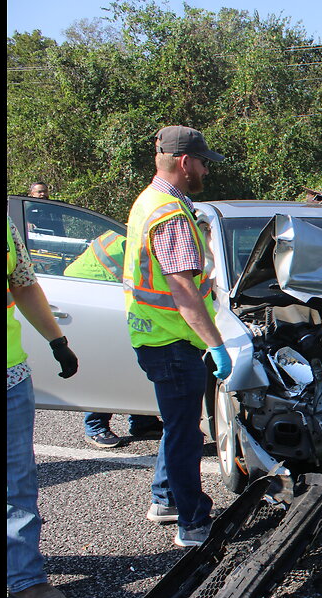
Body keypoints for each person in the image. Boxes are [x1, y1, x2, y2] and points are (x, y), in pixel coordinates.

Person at [122, 125, 231, 547]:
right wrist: (217, 344)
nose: (206, 169)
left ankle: (165, 498)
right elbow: (183, 289)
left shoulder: (149, 201)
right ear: (185, 163)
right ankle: (192, 522)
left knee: (177, 424)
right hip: (173, 340)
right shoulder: (169, 214)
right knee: (187, 433)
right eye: (203, 162)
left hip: (155, 335)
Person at [8, 214, 80, 598]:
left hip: (9, 376)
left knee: (17, 481)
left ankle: (26, 578)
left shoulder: (5, 224)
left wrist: (57, 340)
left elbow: (23, 284)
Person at [64, 229, 164, 447]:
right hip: (93, 297)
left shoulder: (125, 237)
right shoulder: (131, 245)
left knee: (134, 361)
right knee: (109, 363)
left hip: (103, 294)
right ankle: (96, 425)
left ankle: (142, 420)